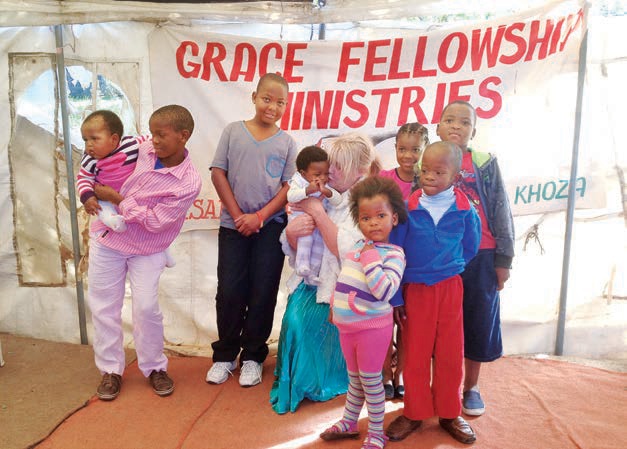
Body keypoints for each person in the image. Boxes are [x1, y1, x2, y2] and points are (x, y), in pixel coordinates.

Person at [86, 104, 202, 401]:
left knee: (146, 308)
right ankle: (111, 370)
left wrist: (117, 199)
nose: (155, 141)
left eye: (161, 135)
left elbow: (155, 221)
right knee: (103, 306)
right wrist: (88, 190)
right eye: (152, 133)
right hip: (108, 239)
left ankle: (154, 367)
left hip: (149, 247)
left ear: (183, 136)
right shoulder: (141, 146)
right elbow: (97, 156)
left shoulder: (188, 182)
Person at [269, 132, 381, 414]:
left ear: (359, 170)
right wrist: (291, 235)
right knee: (293, 321)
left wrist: (317, 213)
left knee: (303, 324)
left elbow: (348, 253)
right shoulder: (325, 189)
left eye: (340, 166)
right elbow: (297, 240)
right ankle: (304, 379)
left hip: (346, 289)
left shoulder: (368, 201)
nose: (331, 170)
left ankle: (330, 380)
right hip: (311, 279)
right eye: (332, 163)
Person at [385, 141, 481, 444]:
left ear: (455, 176)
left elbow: (470, 247)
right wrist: (397, 296)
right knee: (414, 353)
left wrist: (449, 267)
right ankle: (414, 411)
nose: (428, 176)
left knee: (451, 352)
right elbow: (395, 253)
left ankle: (450, 412)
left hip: (450, 288)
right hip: (415, 291)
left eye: (438, 172)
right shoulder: (407, 209)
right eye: (424, 169)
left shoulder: (466, 210)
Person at [206, 73, 298, 388]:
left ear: (287, 105)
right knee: (230, 291)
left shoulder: (287, 142)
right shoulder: (233, 131)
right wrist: (238, 215)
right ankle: (225, 355)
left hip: (269, 228)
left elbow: (288, 187)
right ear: (254, 96)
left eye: (280, 102)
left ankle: (253, 357)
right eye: (267, 99)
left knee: (263, 292)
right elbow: (219, 173)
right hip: (233, 227)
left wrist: (259, 216)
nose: (272, 106)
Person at [436, 100, 515, 416]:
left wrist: (504, 259)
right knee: (441, 326)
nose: (456, 126)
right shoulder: (426, 162)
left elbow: (501, 208)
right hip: (440, 258)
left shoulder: (484, 162)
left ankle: (471, 387)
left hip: (482, 255)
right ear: (438, 126)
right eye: (449, 120)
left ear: (473, 131)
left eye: (464, 122)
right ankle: (442, 387)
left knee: (479, 322)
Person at [319, 176, 407, 449]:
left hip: (372, 328)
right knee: (354, 378)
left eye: (381, 215)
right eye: (366, 218)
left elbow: (384, 291)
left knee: (371, 382)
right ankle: (348, 421)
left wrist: (370, 259)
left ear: (394, 218)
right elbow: (343, 278)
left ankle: (377, 433)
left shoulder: (394, 254)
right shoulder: (357, 247)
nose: (374, 223)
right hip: (347, 327)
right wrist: (335, 305)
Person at [77, 110, 176, 267]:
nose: (88, 145)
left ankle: (163, 250)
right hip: (106, 197)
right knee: (103, 210)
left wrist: (163, 140)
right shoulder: (89, 159)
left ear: (114, 139)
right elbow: (84, 178)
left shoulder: (131, 144)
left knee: (153, 229)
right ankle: (114, 222)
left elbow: (150, 139)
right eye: (85, 140)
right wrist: (88, 196)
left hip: (133, 196)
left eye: (94, 139)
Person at [378, 122, 429, 399]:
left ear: (424, 150)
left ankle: (401, 376)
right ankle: (385, 374)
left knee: (409, 325)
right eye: (402, 149)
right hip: (387, 263)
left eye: (415, 150)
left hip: (416, 264)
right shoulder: (385, 179)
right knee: (386, 322)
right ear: (395, 148)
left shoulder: (429, 180)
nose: (408, 156)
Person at [287, 145, 341, 283]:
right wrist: (307, 190)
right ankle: (302, 266)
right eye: (317, 175)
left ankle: (312, 275)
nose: (322, 178)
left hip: (318, 225)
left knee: (319, 249)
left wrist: (327, 192)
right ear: (303, 173)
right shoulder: (298, 181)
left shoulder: (325, 184)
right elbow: (290, 196)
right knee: (306, 241)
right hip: (302, 222)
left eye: (326, 173)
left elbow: (337, 200)